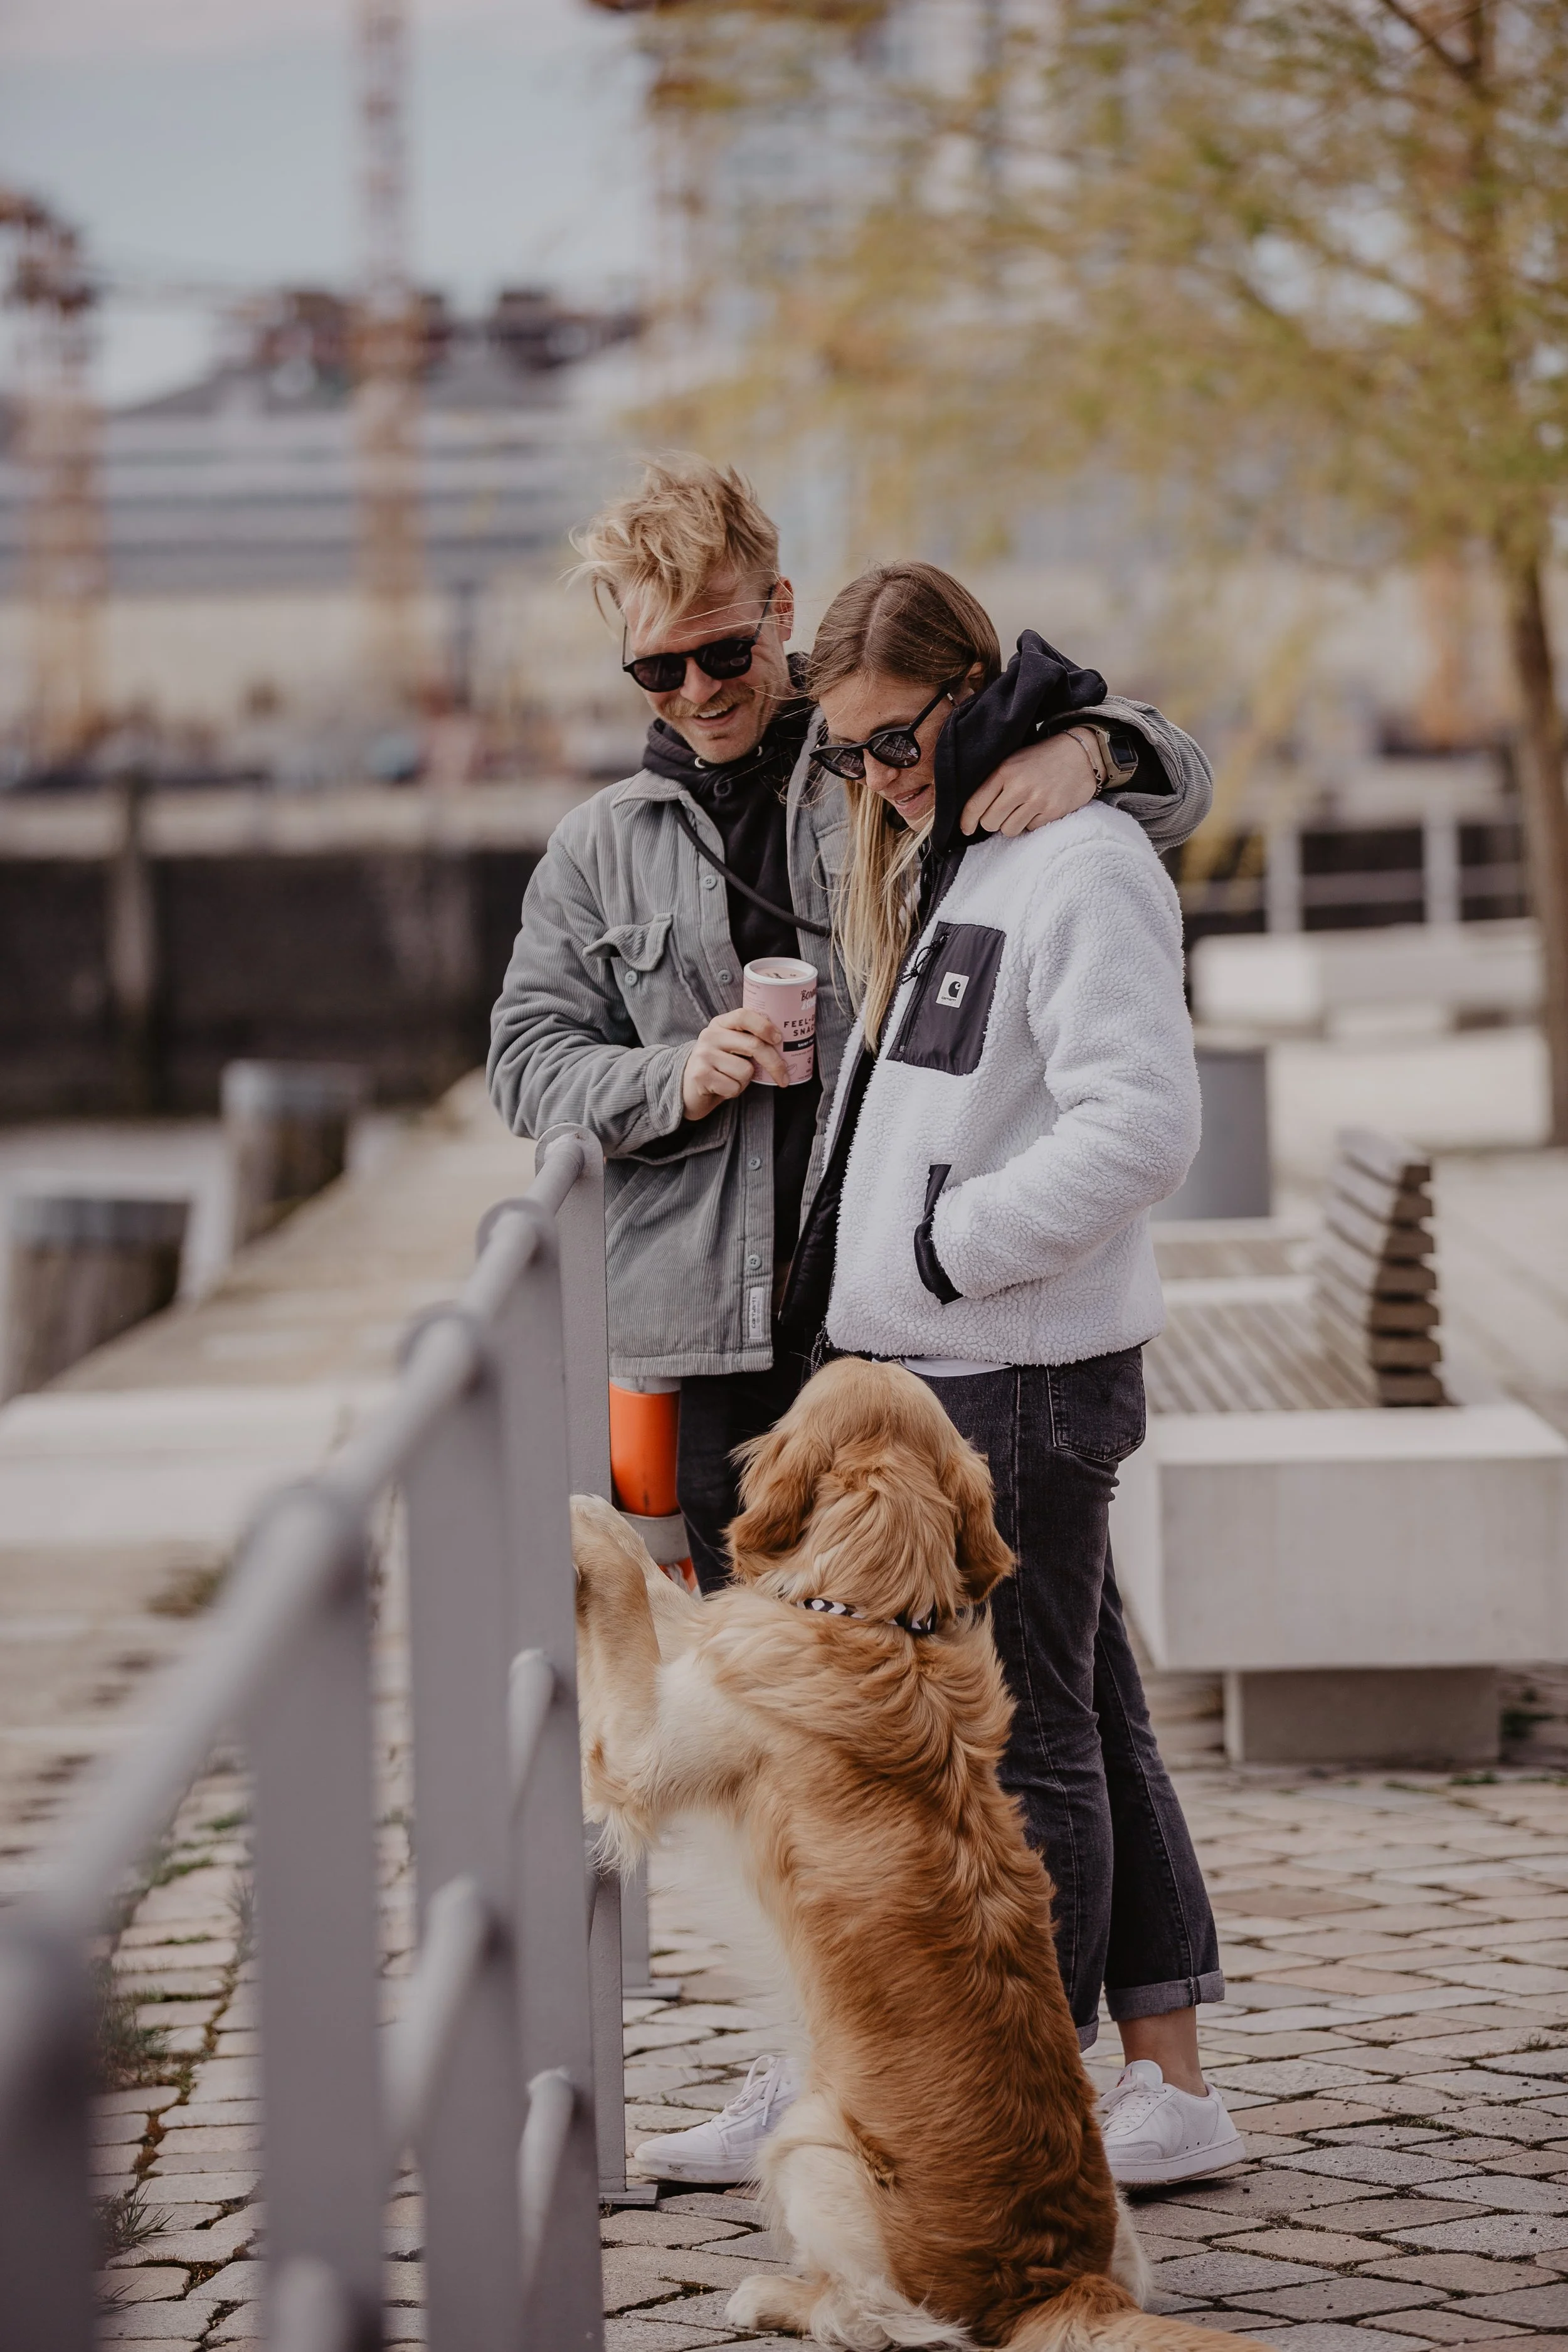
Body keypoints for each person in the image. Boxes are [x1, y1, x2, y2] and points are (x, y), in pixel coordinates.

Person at [489, 457, 1214, 1595]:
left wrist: (1092, 745)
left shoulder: (882, 767)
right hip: (699, 1346)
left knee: (953, 1667)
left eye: (725, 651)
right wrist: (680, 1073)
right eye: (656, 668)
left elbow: (1174, 789)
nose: (699, 689)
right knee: (757, 1688)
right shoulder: (596, 846)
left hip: (902, 1320)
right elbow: (526, 1066)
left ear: (779, 611)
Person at [778, 560, 1240, 2188]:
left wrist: (946, 1247)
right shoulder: (957, 843)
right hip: (961, 1360)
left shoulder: (1075, 861)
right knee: (1085, 1717)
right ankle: (1151, 2085)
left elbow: (1142, 1123)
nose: (874, 783)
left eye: (893, 744)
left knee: (1023, 1745)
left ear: (969, 693)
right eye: (845, 758)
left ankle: (1019, 2117)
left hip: (1013, 1370)